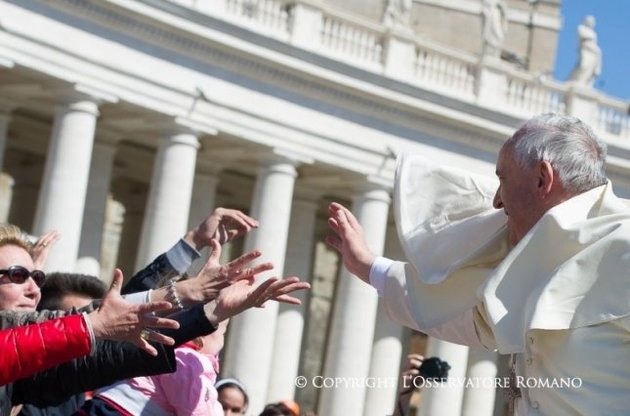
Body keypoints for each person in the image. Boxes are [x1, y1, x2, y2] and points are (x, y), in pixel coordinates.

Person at [327, 113, 629, 415]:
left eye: (503, 179)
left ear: (542, 179)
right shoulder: (536, 254)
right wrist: (369, 267)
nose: (497, 200)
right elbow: (461, 315)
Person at [0, 217, 309, 414]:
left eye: (38, 279)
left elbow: (115, 341)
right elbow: (91, 323)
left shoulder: (35, 374)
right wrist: (190, 293)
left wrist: (212, 310)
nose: (33, 290)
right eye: (17, 275)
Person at [568, 15, 601, 87]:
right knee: (584, 65)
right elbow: (583, 36)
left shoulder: (594, 33)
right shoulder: (581, 28)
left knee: (591, 67)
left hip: (593, 51)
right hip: (585, 49)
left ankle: (585, 83)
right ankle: (576, 80)